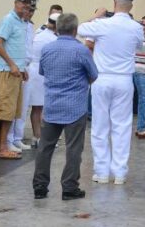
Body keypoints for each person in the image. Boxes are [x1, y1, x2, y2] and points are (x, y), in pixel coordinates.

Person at [78, 0, 145, 184]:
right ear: (130, 6)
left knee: (100, 125)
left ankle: (102, 171)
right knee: (122, 126)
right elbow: (139, 46)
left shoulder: (102, 24)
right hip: (124, 79)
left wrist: (96, 16)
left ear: (114, 3)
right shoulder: (136, 27)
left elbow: (81, 29)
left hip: (102, 78)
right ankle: (120, 173)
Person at [32, 13, 98, 201]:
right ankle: (69, 187)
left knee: (45, 147)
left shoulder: (47, 49)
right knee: (73, 148)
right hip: (75, 107)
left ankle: (39, 187)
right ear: (75, 30)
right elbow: (93, 75)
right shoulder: (81, 50)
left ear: (57, 28)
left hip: (51, 105)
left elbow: (43, 71)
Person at [0, 0, 34, 159]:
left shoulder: (23, 22)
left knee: (13, 111)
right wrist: (12, 64)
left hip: (17, 72)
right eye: (22, 2)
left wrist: (22, 68)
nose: (25, 6)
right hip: (7, 71)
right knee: (6, 111)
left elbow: (19, 48)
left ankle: (2, 145)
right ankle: (1, 147)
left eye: (28, 3)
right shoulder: (9, 20)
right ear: (16, 3)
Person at [26, 11, 60, 149]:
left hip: (34, 71)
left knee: (37, 107)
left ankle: (37, 137)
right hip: (41, 73)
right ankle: (41, 137)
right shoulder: (52, 38)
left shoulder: (40, 33)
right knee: (41, 107)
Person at [9, 0, 38, 151]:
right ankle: (9, 139)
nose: (30, 13)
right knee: (13, 106)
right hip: (15, 68)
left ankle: (17, 138)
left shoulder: (30, 26)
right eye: (28, 10)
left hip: (27, 68)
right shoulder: (13, 23)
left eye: (32, 11)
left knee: (23, 106)